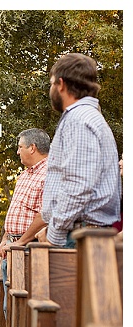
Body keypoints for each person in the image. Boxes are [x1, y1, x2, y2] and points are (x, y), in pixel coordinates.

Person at [36, 53, 121, 248]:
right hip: (79, 231)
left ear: (61, 84)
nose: (51, 89)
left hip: (78, 235)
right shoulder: (87, 117)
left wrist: (54, 234)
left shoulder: (79, 119)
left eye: (51, 84)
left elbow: (78, 184)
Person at [0, 128, 50, 318]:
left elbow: (44, 215)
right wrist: (5, 239)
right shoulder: (24, 175)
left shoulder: (49, 174)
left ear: (32, 148)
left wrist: (20, 242)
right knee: (9, 307)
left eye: (20, 147)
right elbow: (15, 211)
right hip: (12, 247)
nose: (18, 151)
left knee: (22, 311)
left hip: (29, 249)